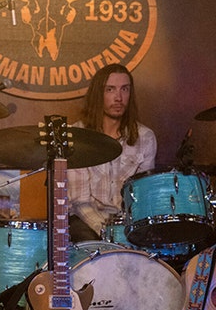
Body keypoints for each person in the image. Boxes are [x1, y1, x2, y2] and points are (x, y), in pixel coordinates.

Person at [67, 63, 157, 242]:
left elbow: (142, 198)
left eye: (125, 89)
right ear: (98, 95)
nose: (118, 97)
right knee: (85, 238)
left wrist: (128, 229)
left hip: (126, 223)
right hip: (85, 221)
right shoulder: (77, 136)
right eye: (110, 90)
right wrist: (108, 233)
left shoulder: (145, 137)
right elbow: (80, 201)